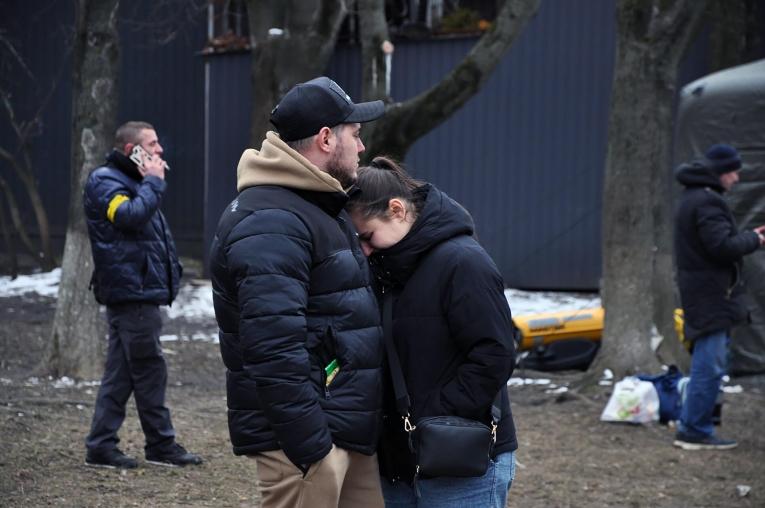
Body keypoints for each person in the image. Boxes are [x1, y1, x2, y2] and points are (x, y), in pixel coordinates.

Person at [209, 77, 386, 508]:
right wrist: (312, 450)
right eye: (355, 136)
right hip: (309, 443)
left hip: (342, 429)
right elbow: (271, 346)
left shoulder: (313, 204)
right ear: (326, 138)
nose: (361, 149)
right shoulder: (272, 220)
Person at [346, 156, 518, 507]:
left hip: (460, 464)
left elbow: (495, 354)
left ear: (397, 209)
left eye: (367, 236)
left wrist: (436, 415)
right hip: (400, 464)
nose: (363, 250)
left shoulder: (464, 263)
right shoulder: (386, 269)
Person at [83, 121, 202, 468]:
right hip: (131, 294)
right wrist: (153, 182)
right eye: (152, 144)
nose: (159, 150)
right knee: (150, 370)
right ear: (130, 150)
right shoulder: (104, 181)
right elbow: (128, 217)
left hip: (137, 292)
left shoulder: (132, 182)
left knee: (120, 374)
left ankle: (101, 445)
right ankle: (161, 445)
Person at [673, 143, 765, 450]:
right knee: (708, 365)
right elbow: (722, 247)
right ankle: (694, 429)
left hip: (705, 294)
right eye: (734, 171)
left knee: (709, 362)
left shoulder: (694, 198)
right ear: (722, 172)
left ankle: (695, 424)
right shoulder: (707, 202)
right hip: (712, 297)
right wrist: (754, 239)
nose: (737, 178)